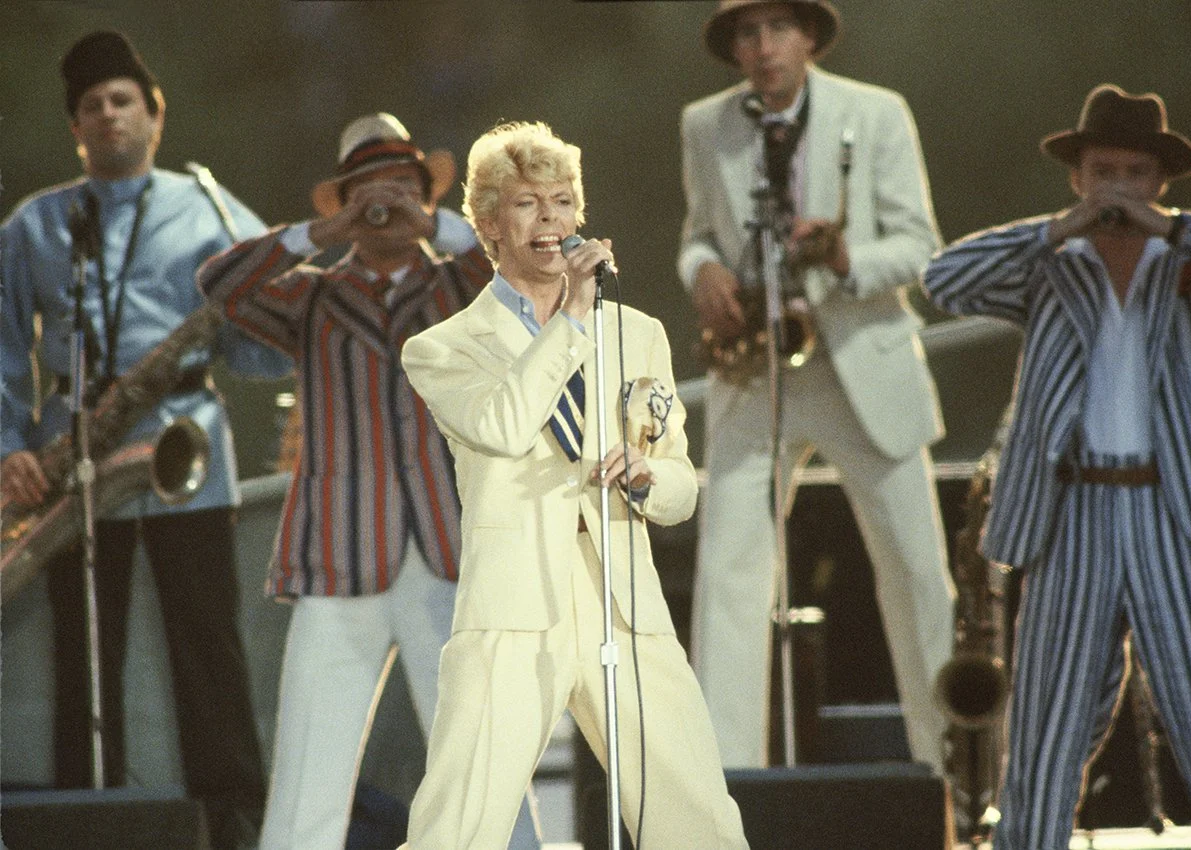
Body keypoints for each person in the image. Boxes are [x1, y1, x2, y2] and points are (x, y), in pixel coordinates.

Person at [924, 83, 1191, 849]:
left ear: (1161, 181)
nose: (1118, 189)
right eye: (1103, 172)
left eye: (1134, 173)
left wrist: (1179, 229)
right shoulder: (1048, 262)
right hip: (1072, 516)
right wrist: (1059, 228)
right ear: (1077, 178)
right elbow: (943, 280)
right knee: (1043, 746)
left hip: (1182, 515)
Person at [398, 121, 749, 849]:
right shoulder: (442, 348)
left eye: (562, 202)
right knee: (457, 826)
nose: (552, 221)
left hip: (623, 597)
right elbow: (502, 422)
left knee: (698, 819)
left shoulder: (640, 333)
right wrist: (575, 322)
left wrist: (652, 477)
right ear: (490, 225)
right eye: (528, 204)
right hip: (512, 606)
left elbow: (683, 487)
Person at [197, 112, 541, 850]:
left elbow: (540, 259)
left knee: (480, 750)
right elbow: (219, 285)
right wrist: (317, 235)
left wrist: (439, 225)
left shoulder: (463, 285)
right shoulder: (313, 297)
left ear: (425, 194)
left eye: (401, 186)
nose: (385, 202)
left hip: (448, 551)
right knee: (308, 771)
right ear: (344, 205)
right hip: (339, 557)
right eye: (366, 191)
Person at [0, 30, 289, 849]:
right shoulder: (35, 224)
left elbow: (259, 335)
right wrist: (8, 443)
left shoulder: (209, 206)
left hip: (181, 454)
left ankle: (234, 826)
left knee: (210, 656)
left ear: (156, 115)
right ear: (75, 129)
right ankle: (80, 824)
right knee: (82, 665)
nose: (107, 115)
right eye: (91, 107)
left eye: (122, 100)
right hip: (76, 462)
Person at [679, 0, 955, 769]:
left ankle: (949, 782)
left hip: (862, 361)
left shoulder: (877, 113)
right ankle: (725, 786)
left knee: (915, 575)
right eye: (746, 32)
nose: (763, 46)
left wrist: (842, 261)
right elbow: (699, 231)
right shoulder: (706, 124)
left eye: (777, 29)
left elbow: (922, 248)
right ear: (733, 48)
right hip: (754, 367)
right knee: (728, 575)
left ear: (809, 38)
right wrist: (700, 270)